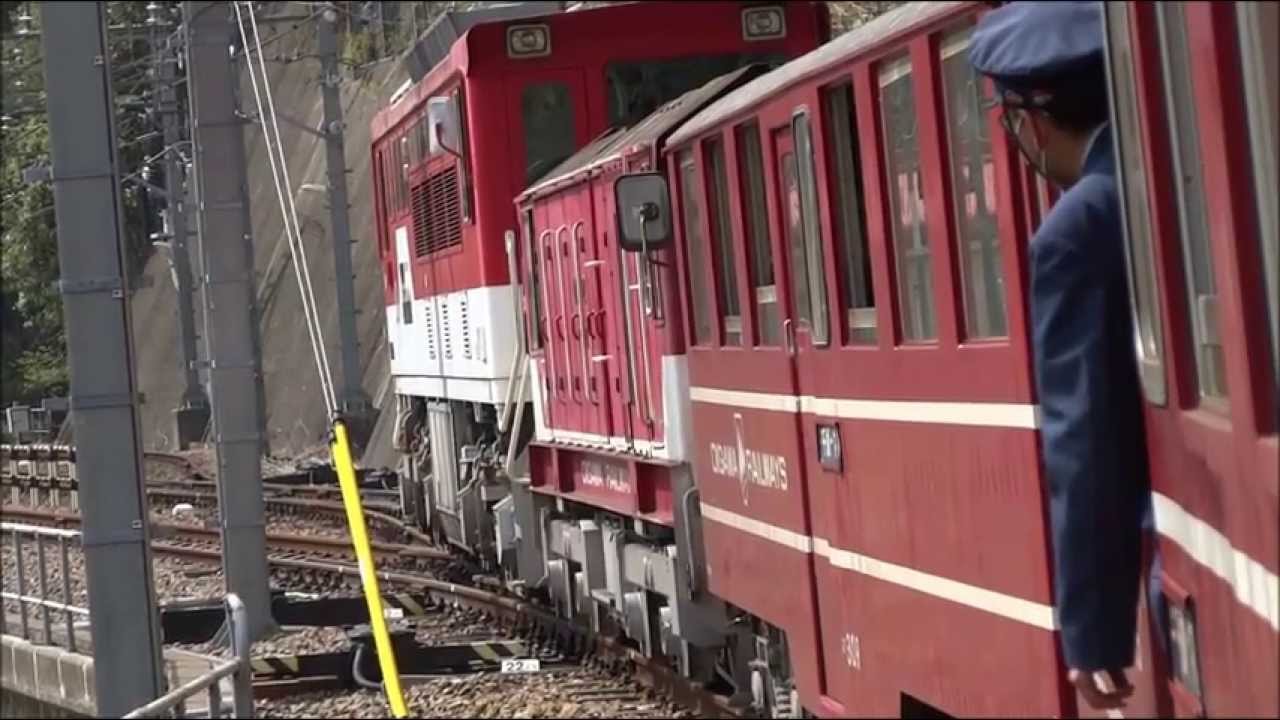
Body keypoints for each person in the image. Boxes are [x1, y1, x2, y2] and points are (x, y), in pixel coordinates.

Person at [969, 2, 1160, 712]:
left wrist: (1092, 635)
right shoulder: (1174, 179)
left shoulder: (1078, 227)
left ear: (1032, 120)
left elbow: (1086, 441)